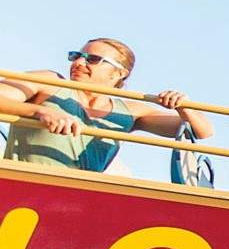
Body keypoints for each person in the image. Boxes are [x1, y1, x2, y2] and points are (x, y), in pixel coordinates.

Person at [1, 39, 215, 174]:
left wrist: (183, 106)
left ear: (120, 73)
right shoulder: (47, 82)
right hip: (23, 185)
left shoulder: (130, 112)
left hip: (76, 200)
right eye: (76, 56)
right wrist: (39, 111)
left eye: (92, 59)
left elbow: (202, 131)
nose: (78, 63)